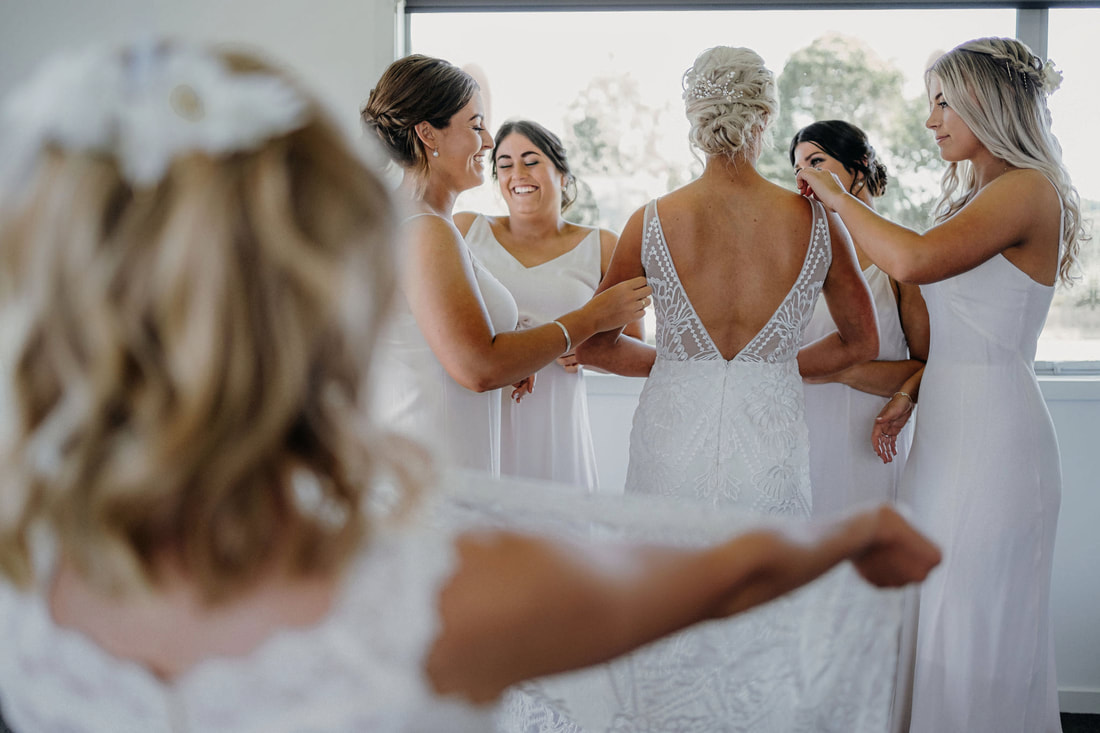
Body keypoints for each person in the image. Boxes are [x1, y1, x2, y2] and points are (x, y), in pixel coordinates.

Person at [0, 40, 943, 733]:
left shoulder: (29, 578)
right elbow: (707, 571)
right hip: (731, 429)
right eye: (482, 134)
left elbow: (554, 365)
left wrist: (651, 358)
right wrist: (842, 526)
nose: (497, 149)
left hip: (659, 418)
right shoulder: (436, 590)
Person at [568, 46, 902, 732]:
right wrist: (773, 365)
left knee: (667, 599)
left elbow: (596, 342)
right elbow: (860, 343)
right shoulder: (813, 221)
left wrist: (675, 363)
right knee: (763, 608)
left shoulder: (653, 220)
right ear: (764, 117)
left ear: (694, 119)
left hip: (672, 431)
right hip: (768, 432)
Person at [798, 36, 1087, 733]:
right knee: (939, 613)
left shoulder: (1027, 189)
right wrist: (909, 388)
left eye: (942, 102)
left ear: (988, 102)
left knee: (976, 620)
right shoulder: (976, 194)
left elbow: (914, 261)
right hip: (948, 429)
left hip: (995, 437)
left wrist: (835, 194)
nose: (931, 121)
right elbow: (951, 330)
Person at [360, 56, 651, 477]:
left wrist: (520, 350)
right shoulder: (428, 230)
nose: (488, 140)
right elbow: (479, 367)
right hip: (437, 468)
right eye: (476, 125)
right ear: (428, 133)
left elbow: (453, 341)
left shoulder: (420, 222)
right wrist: (590, 318)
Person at [454, 119, 642, 490]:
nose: (517, 174)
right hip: (481, 408)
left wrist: (585, 352)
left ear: (562, 173)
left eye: (530, 160)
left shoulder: (602, 245)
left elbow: (626, 344)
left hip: (555, 418)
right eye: (504, 164)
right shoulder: (465, 230)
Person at [789, 120, 930, 514]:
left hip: (870, 438)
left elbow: (927, 366)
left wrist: (838, 370)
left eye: (816, 161)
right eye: (798, 169)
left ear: (860, 164)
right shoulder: (796, 257)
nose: (805, 177)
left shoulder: (900, 258)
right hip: (797, 436)